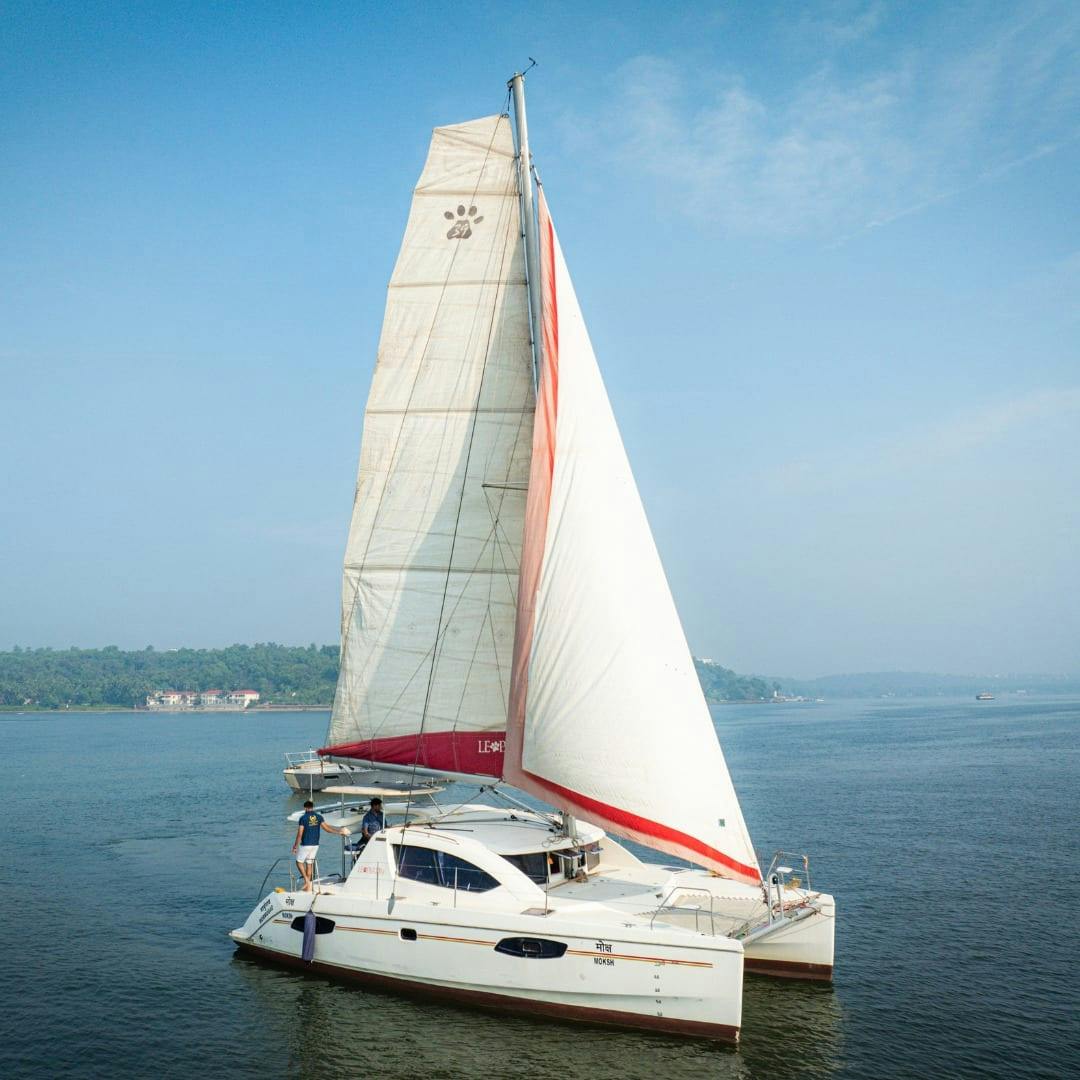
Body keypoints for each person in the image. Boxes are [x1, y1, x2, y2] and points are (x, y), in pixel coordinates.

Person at [292, 800, 349, 892]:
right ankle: (308, 885)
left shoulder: (303, 818)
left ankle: (307, 881)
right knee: (309, 863)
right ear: (313, 807)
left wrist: (295, 846)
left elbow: (300, 833)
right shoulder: (319, 817)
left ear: (305, 808)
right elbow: (327, 829)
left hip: (306, 844)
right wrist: (339, 832)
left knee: (299, 862)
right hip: (315, 845)